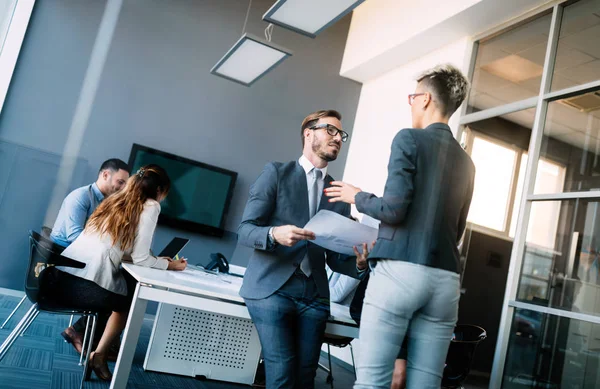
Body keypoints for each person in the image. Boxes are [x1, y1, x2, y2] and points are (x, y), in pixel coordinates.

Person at [325, 64, 475, 389]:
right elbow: (457, 230)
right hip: (446, 281)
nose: (411, 104)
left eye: (412, 97)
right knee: (425, 385)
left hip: (400, 274)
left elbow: (393, 210)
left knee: (372, 383)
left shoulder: (409, 139)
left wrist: (356, 196)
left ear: (424, 100)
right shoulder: (467, 161)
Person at [238, 109, 369, 389]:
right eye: (330, 130)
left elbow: (335, 257)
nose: (338, 138)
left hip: (314, 296)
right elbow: (246, 230)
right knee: (283, 370)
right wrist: (274, 233)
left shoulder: (339, 193)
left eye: (341, 134)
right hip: (272, 289)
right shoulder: (276, 173)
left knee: (306, 376)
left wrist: (358, 263)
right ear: (308, 133)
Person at [42, 164, 187, 381]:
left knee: (124, 288)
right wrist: (171, 265)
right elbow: (140, 258)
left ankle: (96, 349)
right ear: (159, 191)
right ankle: (99, 354)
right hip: (83, 286)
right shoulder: (150, 206)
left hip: (62, 278)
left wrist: (156, 261)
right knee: (130, 299)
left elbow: (113, 247)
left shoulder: (114, 200)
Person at [54, 158, 130, 357]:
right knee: (116, 291)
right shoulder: (80, 197)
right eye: (120, 182)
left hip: (81, 263)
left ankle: (97, 339)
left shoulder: (107, 203)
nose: (123, 188)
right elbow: (75, 238)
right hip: (65, 265)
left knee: (120, 286)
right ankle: (82, 332)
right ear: (105, 175)